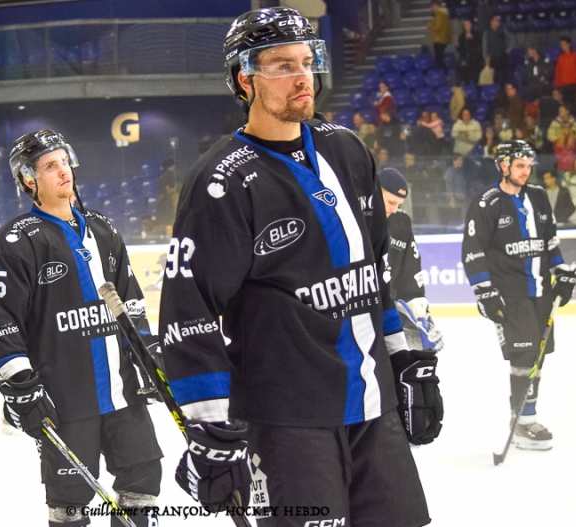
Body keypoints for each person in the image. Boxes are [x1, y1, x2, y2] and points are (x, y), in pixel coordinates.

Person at [160, 8, 441, 526]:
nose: (302, 77)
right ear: (245, 79)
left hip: (373, 411)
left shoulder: (348, 150)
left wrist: (402, 359)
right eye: (282, 65)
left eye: (307, 62)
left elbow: (374, 273)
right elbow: (189, 313)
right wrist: (212, 431)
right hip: (287, 425)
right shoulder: (220, 183)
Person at [0, 129, 163, 527]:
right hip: (65, 402)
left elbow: (131, 301)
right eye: (50, 165)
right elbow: (2, 324)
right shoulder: (16, 242)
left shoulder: (102, 229)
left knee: (144, 481)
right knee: (70, 504)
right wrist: (23, 386)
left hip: (123, 396)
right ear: (29, 179)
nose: (64, 171)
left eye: (65, 161)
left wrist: (150, 355)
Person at [462, 139, 576, 451]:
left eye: (529, 166)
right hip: (508, 293)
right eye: (520, 166)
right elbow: (473, 251)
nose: (526, 172)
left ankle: (523, 412)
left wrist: (562, 272)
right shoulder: (487, 202)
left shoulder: (538, 198)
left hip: (540, 291)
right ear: (504, 165)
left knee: (537, 356)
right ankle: (525, 419)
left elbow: (550, 242)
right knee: (524, 354)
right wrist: (484, 291)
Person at [379, 168, 443, 352]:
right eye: (390, 202)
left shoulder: (401, 223)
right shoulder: (354, 219)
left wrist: (417, 305)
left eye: (398, 204)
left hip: (388, 313)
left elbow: (410, 270)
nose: (394, 209)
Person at [547, 105, 576, 173]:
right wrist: (561, 137)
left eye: (561, 111)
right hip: (561, 162)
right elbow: (550, 137)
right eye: (559, 111)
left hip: (573, 162)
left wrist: (572, 136)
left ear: (567, 111)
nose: (560, 112)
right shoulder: (555, 123)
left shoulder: (575, 123)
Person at [554, 36, 576, 113]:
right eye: (561, 44)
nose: (562, 46)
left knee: (574, 105)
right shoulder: (560, 58)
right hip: (564, 86)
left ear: (569, 44)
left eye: (563, 44)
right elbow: (558, 72)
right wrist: (557, 86)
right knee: (565, 105)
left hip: (574, 85)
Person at [482, 15, 509, 86]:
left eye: (498, 21)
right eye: (495, 21)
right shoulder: (487, 32)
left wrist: (508, 47)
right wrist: (486, 57)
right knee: (494, 78)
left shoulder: (502, 30)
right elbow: (485, 46)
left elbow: (509, 38)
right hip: (493, 58)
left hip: (502, 57)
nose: (497, 23)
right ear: (491, 22)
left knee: (504, 77)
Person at [428, 1, 452, 70]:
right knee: (440, 58)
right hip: (444, 39)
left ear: (436, 6)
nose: (432, 9)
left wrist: (431, 25)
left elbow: (438, 28)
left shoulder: (439, 15)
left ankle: (442, 72)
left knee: (438, 59)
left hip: (439, 39)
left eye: (433, 7)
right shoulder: (446, 15)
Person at [456, 19, 482, 85]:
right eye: (465, 25)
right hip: (465, 59)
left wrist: (472, 39)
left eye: (468, 24)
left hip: (475, 59)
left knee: (476, 78)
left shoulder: (476, 34)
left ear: (471, 25)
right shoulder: (462, 36)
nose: (466, 26)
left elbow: (479, 44)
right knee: (466, 78)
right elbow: (460, 49)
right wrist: (457, 46)